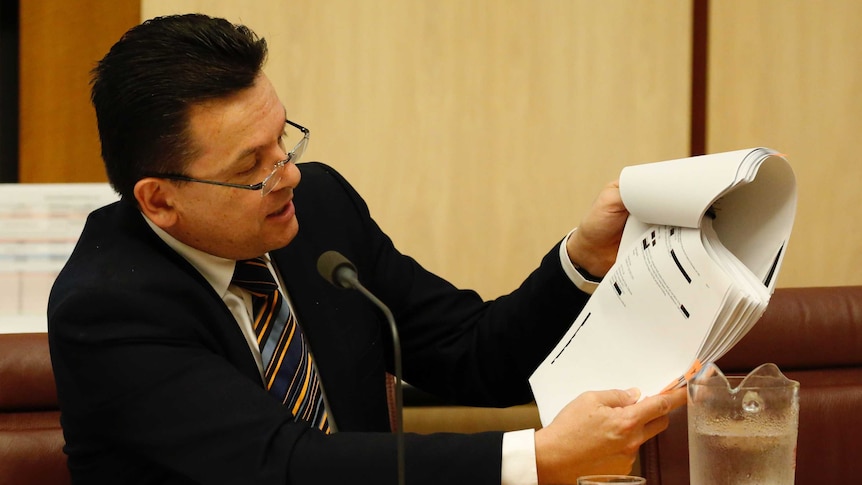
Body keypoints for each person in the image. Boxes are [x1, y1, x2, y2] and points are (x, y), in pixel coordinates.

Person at [47, 13, 685, 485]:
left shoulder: (316, 211)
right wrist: (537, 457)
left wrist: (583, 258)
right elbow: (283, 464)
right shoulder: (106, 307)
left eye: (284, 139)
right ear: (159, 199)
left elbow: (472, 353)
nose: (289, 172)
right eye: (254, 167)